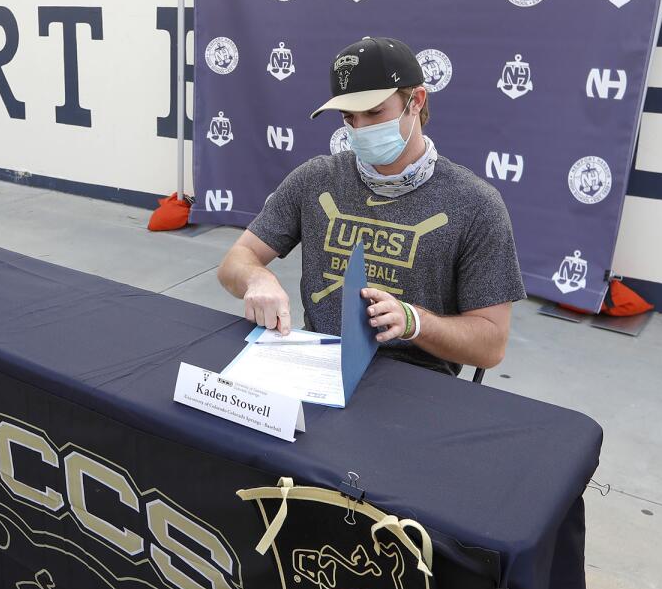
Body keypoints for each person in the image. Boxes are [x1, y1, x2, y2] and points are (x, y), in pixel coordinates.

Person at [217, 37, 526, 376]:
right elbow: (235, 261)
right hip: (321, 366)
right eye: (349, 117)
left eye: (375, 112)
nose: (360, 128)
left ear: (416, 101)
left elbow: (491, 345)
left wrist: (414, 322)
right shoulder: (316, 179)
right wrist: (256, 278)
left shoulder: (475, 205)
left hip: (416, 381)